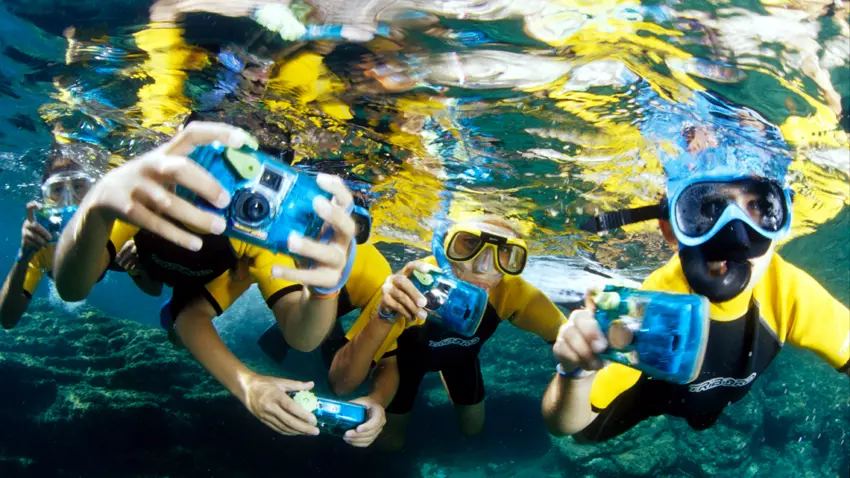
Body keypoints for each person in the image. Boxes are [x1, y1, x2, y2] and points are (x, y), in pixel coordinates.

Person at [50, 121, 378, 439]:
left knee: (180, 326)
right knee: (158, 296)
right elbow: (71, 288)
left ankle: (172, 305)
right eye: (223, 171)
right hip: (143, 259)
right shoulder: (149, 191)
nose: (241, 201)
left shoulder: (255, 234)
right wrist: (97, 206)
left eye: (261, 185)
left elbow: (302, 337)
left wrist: (325, 289)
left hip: (208, 277)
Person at [541, 114, 850, 443]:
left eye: (759, 207)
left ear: (781, 225)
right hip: (651, 396)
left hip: (713, 404)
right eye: (706, 209)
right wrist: (574, 374)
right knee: (586, 438)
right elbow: (563, 425)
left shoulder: (788, 292)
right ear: (671, 231)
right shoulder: (652, 302)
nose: (735, 236)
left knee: (703, 419)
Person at [329, 216, 566, 450]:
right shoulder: (412, 285)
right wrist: (384, 316)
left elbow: (568, 337)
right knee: (390, 444)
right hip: (404, 365)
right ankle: (329, 332)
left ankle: (444, 376)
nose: (483, 268)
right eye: (470, 244)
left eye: (504, 250)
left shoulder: (515, 293)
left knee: (473, 428)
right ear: (445, 244)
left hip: (462, 360)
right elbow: (340, 384)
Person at [0, 148, 159, 329]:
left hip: (106, 257)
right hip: (69, 270)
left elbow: (154, 289)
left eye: (78, 187)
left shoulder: (120, 219)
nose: (70, 200)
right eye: (58, 189)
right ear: (46, 197)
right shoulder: (42, 239)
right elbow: (7, 319)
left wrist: (137, 268)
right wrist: (23, 255)